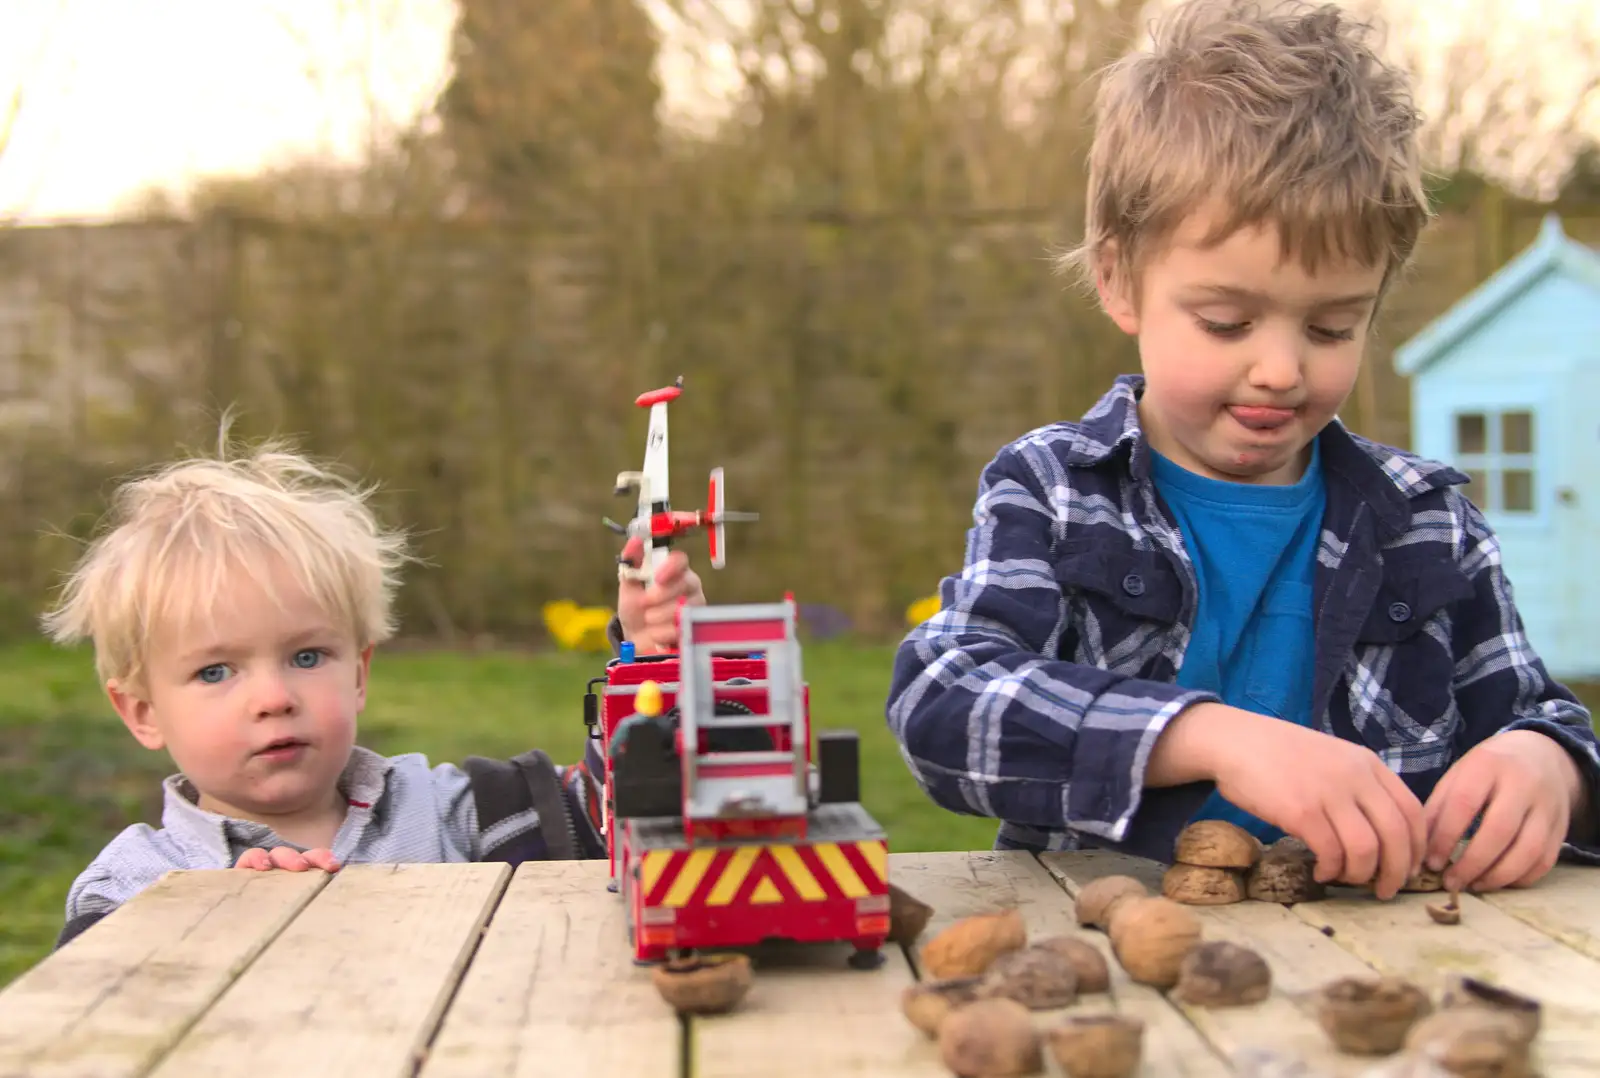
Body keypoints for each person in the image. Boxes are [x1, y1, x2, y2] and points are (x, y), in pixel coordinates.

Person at [886, 0, 1600, 902]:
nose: (1279, 369)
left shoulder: (1428, 522)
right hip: (1118, 966)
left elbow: (1540, 714)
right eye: (1227, 321)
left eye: (1333, 326)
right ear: (1119, 280)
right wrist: (1210, 735)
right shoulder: (1056, 490)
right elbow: (943, 704)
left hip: (1384, 975)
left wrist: (1550, 767)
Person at [43, 427, 703, 947]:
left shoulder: (454, 816)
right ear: (141, 711)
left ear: (358, 673)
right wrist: (213, 924)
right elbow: (91, 1027)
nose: (273, 697)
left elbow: (611, 817)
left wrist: (650, 658)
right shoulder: (134, 889)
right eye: (216, 671)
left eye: (307, 656)